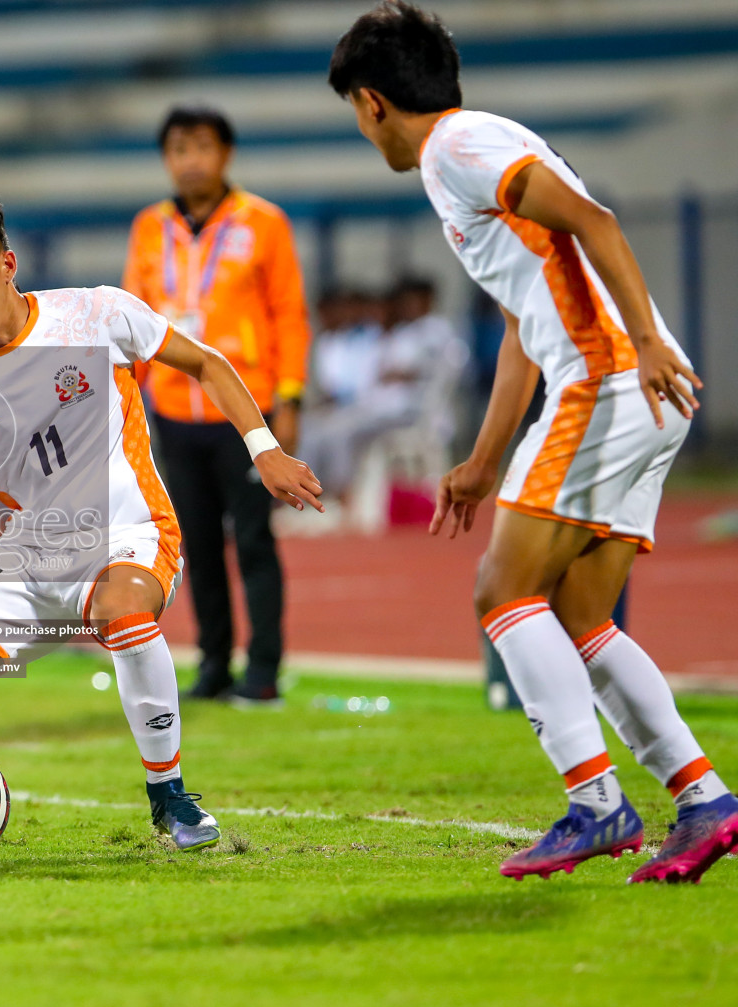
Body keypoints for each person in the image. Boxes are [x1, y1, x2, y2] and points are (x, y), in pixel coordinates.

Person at [330, 1, 737, 882]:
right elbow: (523, 323)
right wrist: (482, 463)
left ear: (372, 104)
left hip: (611, 383)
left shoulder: (454, 148)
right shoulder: (476, 147)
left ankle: (596, 806)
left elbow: (597, 221)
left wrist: (646, 342)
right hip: (637, 388)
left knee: (502, 592)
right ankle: (703, 799)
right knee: (585, 617)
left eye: (359, 122)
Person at [0, 186, 323, 853]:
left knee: (125, 612)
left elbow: (206, 362)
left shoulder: (94, 314)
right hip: (33, 554)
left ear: (6, 264)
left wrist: (267, 449)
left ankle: (170, 797)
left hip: (131, 534)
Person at [123, 105, 311, 705]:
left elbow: (289, 314)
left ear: (226, 154)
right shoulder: (148, 227)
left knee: (254, 539)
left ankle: (263, 669)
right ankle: (211, 663)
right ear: (165, 159)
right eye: (179, 149)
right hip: (175, 411)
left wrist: (289, 399)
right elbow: (135, 320)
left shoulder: (264, 223)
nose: (191, 160)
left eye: (202, 147)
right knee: (195, 543)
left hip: (245, 411)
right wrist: (131, 405)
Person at [300, 276, 468, 499]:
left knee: (341, 433)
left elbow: (450, 365)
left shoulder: (429, 331)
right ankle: (307, 491)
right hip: (377, 409)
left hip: (407, 412)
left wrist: (408, 373)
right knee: (311, 429)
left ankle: (339, 495)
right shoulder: (393, 336)